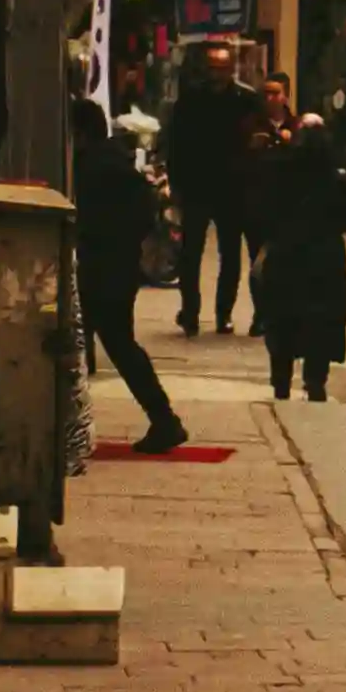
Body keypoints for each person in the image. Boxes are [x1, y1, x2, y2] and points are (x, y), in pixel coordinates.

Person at [71, 95, 190, 456]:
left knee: (96, 344)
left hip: (103, 268)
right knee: (108, 345)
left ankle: (163, 419)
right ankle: (162, 419)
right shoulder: (109, 162)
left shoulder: (97, 166)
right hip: (114, 267)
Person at [252, 105, 346, 404]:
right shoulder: (336, 178)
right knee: (322, 319)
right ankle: (315, 381)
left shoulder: (276, 169)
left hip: (284, 254)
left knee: (282, 317)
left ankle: (281, 383)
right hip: (324, 256)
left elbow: (259, 208)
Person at [160, 45, 265, 340]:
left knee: (230, 254)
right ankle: (190, 312)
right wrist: (177, 184)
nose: (218, 73)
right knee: (190, 254)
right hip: (196, 186)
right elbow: (176, 144)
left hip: (232, 189)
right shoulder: (191, 100)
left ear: (232, 68)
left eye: (223, 67)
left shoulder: (245, 100)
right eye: (213, 67)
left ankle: (224, 313)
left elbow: (257, 140)